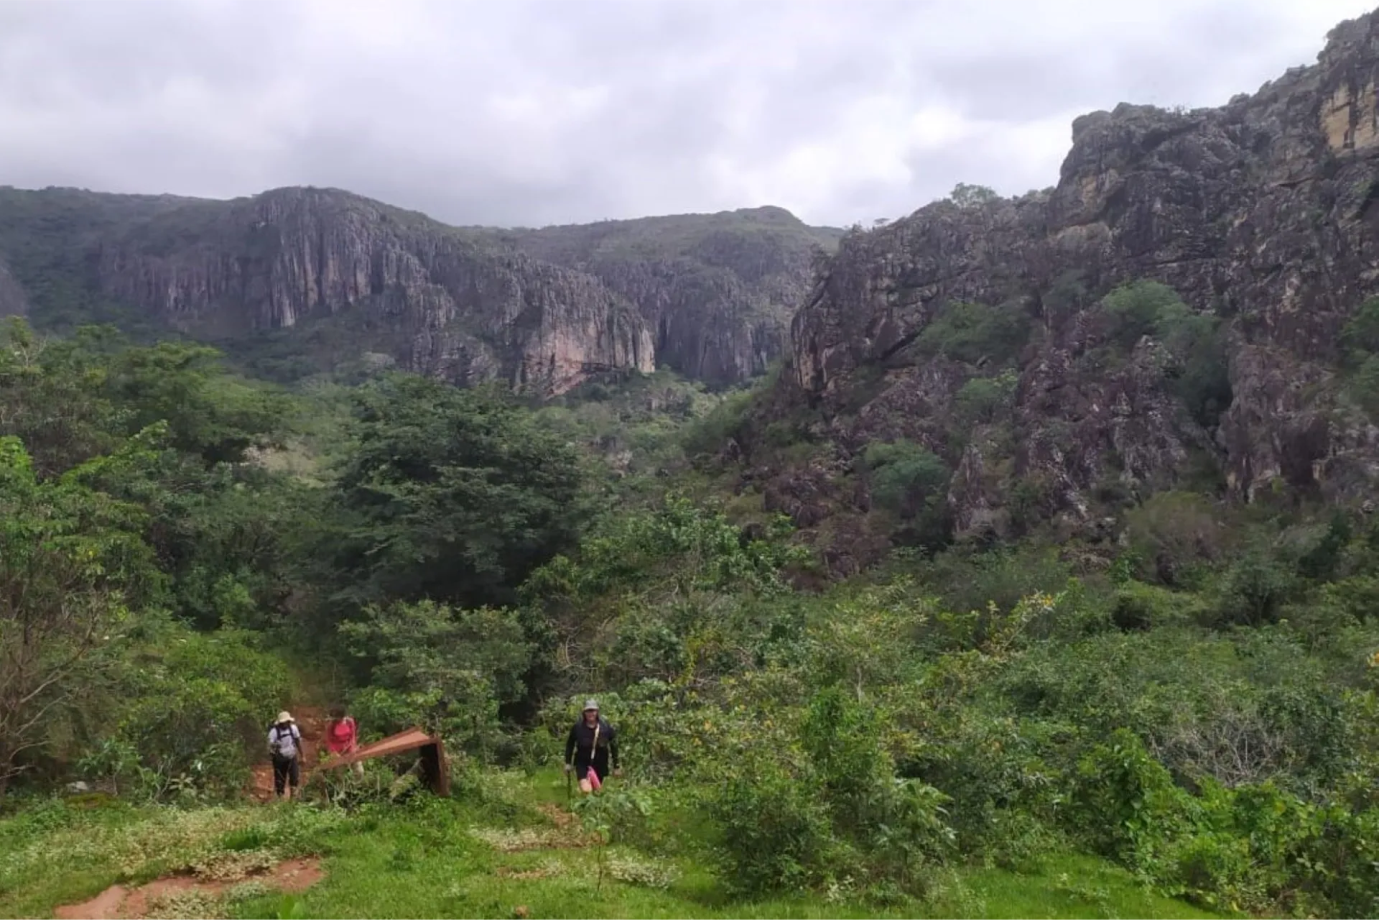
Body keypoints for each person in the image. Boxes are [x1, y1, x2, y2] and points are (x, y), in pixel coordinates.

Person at [564, 699, 619, 794]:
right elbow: (570, 744)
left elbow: (614, 746)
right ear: (584, 712)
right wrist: (568, 762)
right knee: (586, 790)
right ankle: (583, 790)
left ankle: (586, 807)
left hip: (600, 764)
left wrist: (616, 766)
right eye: (588, 711)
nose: (591, 713)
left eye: (593, 711)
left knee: (596, 792)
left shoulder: (605, 727)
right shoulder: (577, 727)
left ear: (597, 712)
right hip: (582, 763)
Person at [267, 711, 302, 800]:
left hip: (291, 756)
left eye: (286, 722)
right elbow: (270, 745)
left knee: (294, 776)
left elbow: (297, 741)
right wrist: (273, 751)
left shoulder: (293, 729)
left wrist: (302, 755)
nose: (285, 724)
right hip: (280, 759)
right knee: (280, 779)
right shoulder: (274, 732)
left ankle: (293, 798)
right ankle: (280, 797)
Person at [324, 705, 363, 776]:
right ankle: (342, 785)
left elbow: (352, 737)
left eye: (336, 718)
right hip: (337, 752)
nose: (334, 720)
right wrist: (334, 753)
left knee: (359, 771)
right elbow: (329, 741)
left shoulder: (350, 722)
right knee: (340, 774)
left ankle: (358, 785)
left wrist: (352, 748)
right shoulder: (330, 726)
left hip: (350, 748)